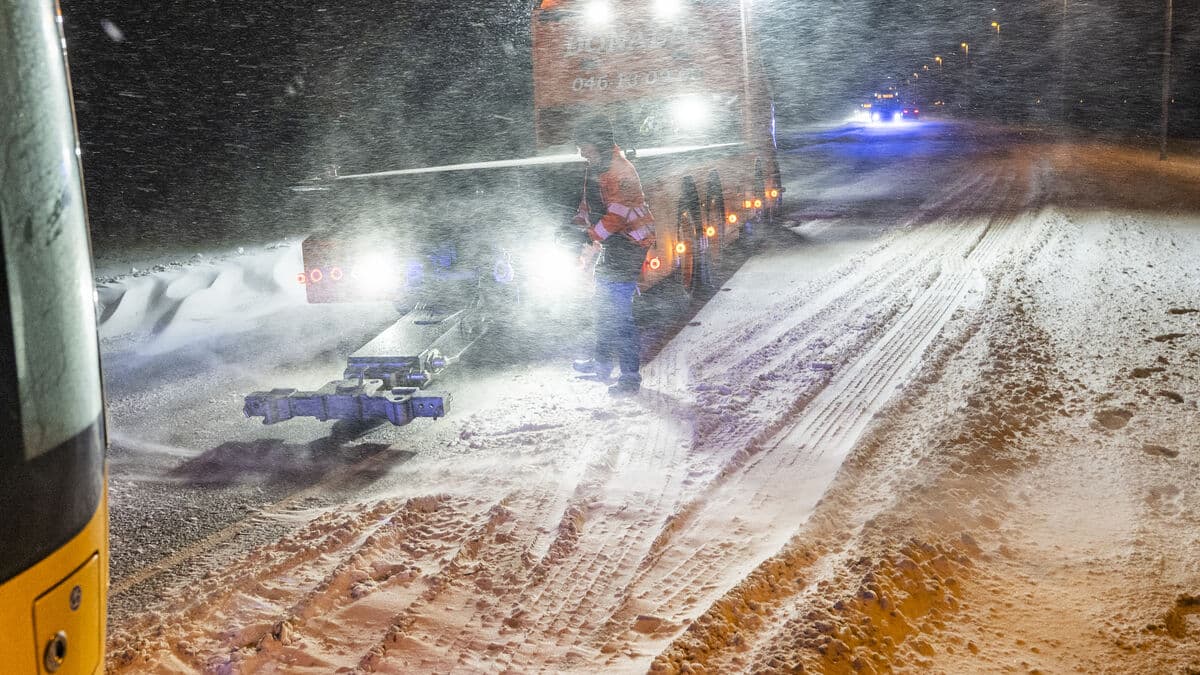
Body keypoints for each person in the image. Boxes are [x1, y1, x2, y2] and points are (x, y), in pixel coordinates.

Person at [570, 116, 656, 396]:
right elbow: (590, 202)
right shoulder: (596, 166)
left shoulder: (621, 170)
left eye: (583, 144)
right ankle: (602, 365)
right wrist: (577, 223)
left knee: (618, 314)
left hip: (630, 244)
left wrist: (591, 235)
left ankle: (630, 378)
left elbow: (618, 213)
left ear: (598, 142)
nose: (580, 151)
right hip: (615, 245)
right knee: (603, 308)